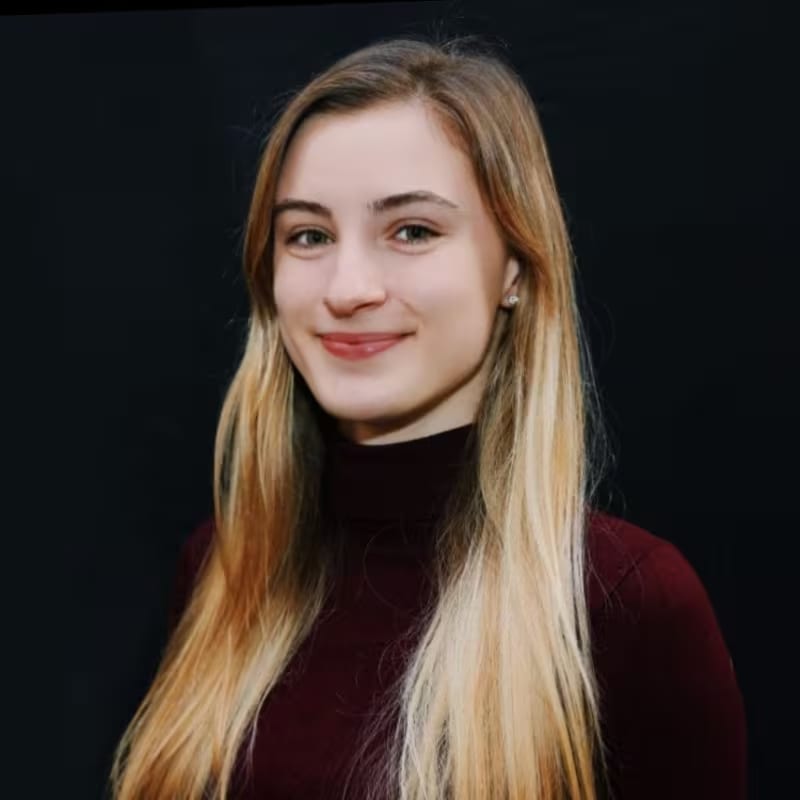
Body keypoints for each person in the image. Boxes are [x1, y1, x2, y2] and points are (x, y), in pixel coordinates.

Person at [109, 35, 746, 800]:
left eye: (412, 230)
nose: (348, 287)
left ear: (514, 265)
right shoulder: (221, 571)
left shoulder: (626, 606)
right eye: (308, 235)